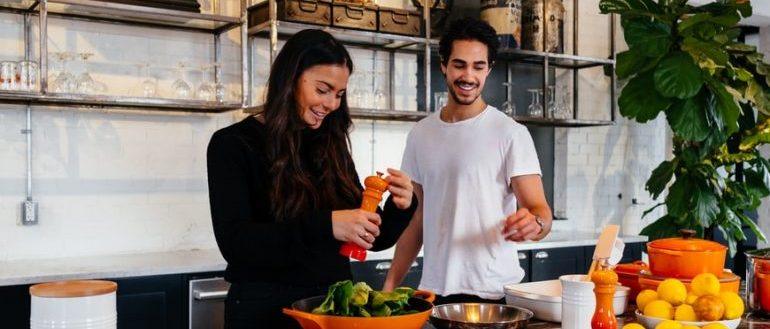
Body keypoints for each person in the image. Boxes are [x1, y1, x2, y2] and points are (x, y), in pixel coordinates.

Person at [206, 29, 418, 329]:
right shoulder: (232, 144)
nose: (332, 104)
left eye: (339, 94)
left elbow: (373, 238)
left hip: (332, 310)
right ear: (290, 79)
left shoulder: (331, 144)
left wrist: (402, 205)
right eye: (322, 90)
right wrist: (328, 225)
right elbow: (237, 244)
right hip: (263, 312)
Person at [382, 17, 553, 305]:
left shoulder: (510, 133)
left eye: (478, 66)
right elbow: (417, 219)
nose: (468, 76)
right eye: (459, 65)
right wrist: (389, 285)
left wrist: (535, 224)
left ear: (489, 69)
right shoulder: (421, 134)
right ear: (443, 66)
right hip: (436, 292)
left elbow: (541, 213)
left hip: (494, 292)